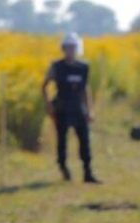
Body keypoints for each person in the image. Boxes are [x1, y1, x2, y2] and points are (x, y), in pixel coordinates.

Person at [42, 32, 99, 184]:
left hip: (78, 108)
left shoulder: (83, 67)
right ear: (63, 49)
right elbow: (45, 85)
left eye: (73, 47)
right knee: (62, 141)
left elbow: (85, 89)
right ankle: (63, 167)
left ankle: (88, 172)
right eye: (68, 48)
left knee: (85, 141)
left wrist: (90, 110)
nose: (70, 50)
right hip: (62, 108)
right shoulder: (56, 67)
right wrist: (49, 105)